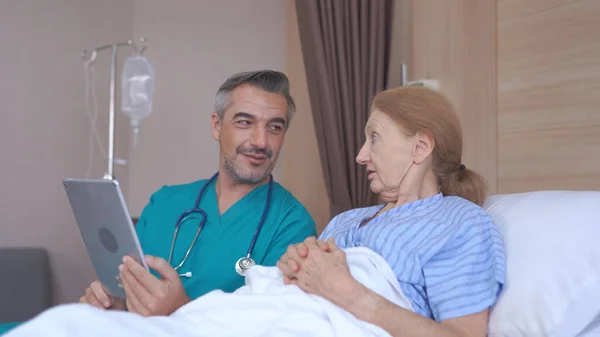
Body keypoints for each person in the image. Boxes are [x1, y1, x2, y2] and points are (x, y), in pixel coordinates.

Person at [79, 70, 317, 316]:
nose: (261, 141)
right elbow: (129, 296)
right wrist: (115, 305)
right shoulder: (163, 203)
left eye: (275, 127)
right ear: (217, 126)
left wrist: (181, 310)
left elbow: (273, 326)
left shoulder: (293, 225)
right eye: (245, 122)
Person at [277, 86, 506, 337]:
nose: (360, 156)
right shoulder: (345, 220)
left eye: (373, 137)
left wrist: (351, 295)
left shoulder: (459, 223)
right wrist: (295, 265)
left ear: (420, 147)